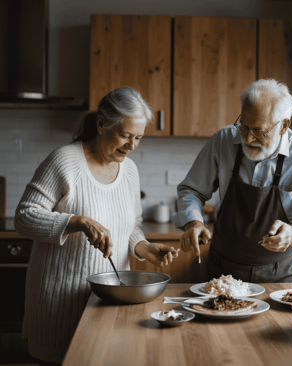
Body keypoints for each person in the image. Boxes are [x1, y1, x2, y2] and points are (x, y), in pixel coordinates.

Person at [14, 87, 179, 365]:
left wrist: (143, 246)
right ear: (102, 124)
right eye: (125, 135)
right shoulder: (65, 161)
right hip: (59, 305)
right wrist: (77, 221)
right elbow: (24, 217)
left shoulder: (129, 170)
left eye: (138, 137)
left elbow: (130, 224)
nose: (132, 146)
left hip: (109, 305)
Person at [172, 79, 292, 283]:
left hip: (278, 275)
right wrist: (193, 223)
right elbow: (191, 190)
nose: (247, 138)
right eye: (244, 126)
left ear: (283, 126)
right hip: (222, 272)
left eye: (259, 131)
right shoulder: (223, 141)